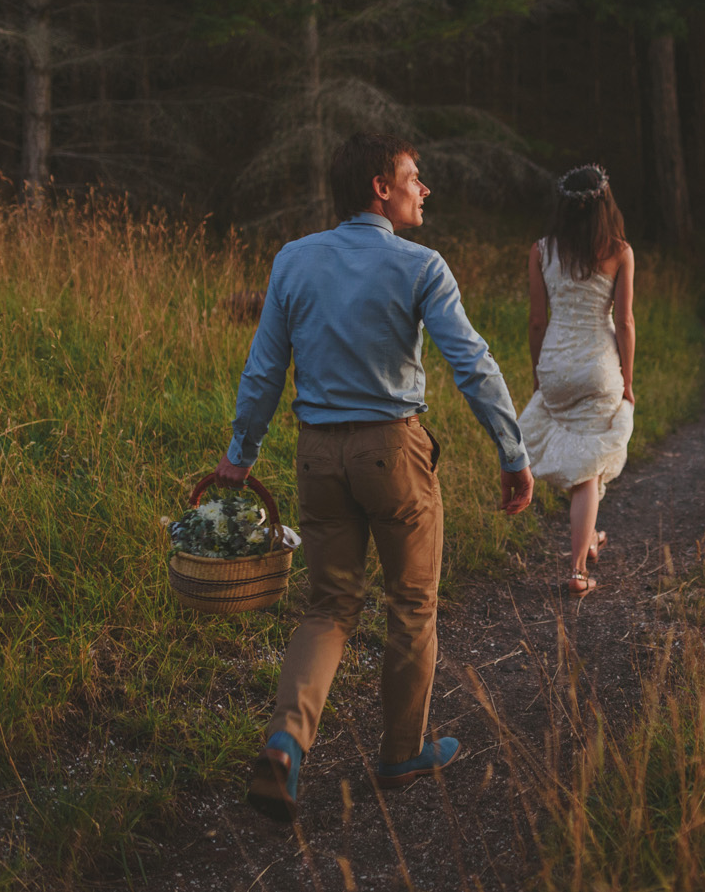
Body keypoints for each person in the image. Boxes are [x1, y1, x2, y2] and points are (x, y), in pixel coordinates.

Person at [213, 132, 534, 823]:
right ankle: (400, 751)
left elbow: (265, 369)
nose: (425, 189)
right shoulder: (420, 266)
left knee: (328, 605)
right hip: (393, 454)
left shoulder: (293, 260)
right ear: (379, 187)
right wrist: (512, 451)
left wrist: (240, 453)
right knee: (411, 601)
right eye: (415, 177)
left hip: (316, 456)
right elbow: (471, 364)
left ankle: (285, 743)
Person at [518, 164, 635, 595]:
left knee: (587, 457)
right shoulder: (619, 251)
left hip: (556, 365)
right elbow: (623, 322)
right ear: (606, 205)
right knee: (588, 470)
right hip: (599, 366)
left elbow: (536, 321)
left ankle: (591, 538)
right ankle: (578, 571)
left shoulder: (542, 250)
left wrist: (537, 375)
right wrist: (627, 380)